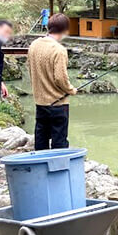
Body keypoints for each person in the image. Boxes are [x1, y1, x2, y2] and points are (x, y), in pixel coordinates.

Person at [27, 13, 77, 150]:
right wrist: (71, 89)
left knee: (41, 137)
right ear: (65, 30)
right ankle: (58, 169)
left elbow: (30, 69)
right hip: (58, 103)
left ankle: (40, 166)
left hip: (40, 102)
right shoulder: (59, 50)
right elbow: (60, 78)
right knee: (59, 140)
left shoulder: (34, 45)